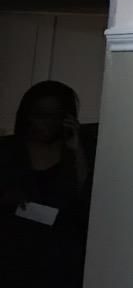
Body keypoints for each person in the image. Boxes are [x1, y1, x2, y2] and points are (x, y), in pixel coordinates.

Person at [0, 81, 92, 287]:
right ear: (27, 116)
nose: (47, 123)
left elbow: (89, 198)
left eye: (55, 115)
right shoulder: (8, 150)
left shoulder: (76, 152)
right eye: (40, 115)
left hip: (61, 258)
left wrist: (77, 150)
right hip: (13, 252)